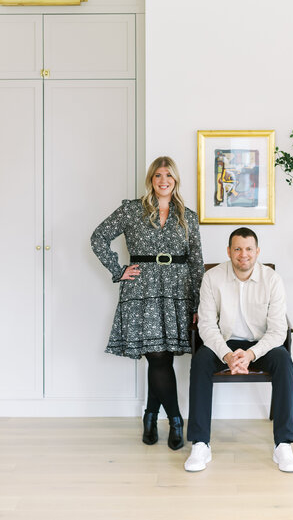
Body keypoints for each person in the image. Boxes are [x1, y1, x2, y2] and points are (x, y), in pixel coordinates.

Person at [91, 156, 204, 450]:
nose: (163, 180)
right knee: (156, 357)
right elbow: (98, 237)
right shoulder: (132, 210)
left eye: (168, 175)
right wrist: (118, 271)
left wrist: (199, 305)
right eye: (157, 175)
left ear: (175, 179)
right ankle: (177, 421)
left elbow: (196, 262)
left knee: (163, 358)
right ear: (151, 180)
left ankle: (151, 416)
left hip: (179, 291)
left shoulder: (188, 216)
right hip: (141, 288)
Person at [184, 227, 293, 473]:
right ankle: (200, 443)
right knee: (201, 361)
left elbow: (278, 330)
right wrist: (227, 354)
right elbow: (205, 324)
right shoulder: (212, 278)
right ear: (229, 251)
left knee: (284, 361)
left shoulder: (272, 280)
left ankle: (283, 445)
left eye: (248, 249)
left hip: (260, 346)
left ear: (257, 252)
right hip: (222, 344)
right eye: (237, 249)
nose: (243, 255)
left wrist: (251, 354)